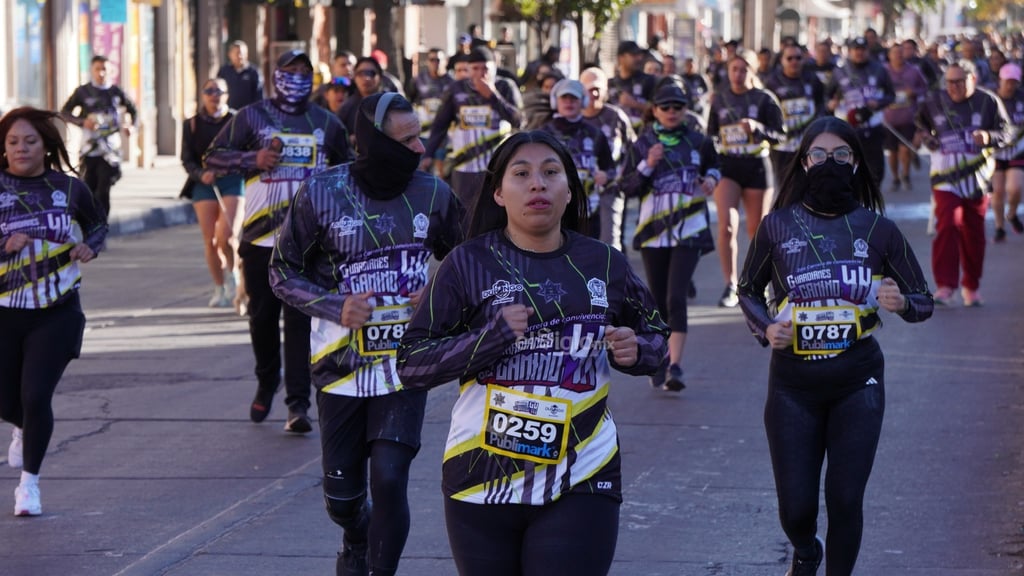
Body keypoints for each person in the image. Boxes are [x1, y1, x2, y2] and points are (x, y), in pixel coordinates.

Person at [396, 131, 669, 576]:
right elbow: (411, 363)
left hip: (582, 472)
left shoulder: (605, 263)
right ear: (499, 193)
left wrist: (636, 350)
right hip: (481, 475)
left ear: (569, 190)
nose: (537, 184)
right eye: (521, 174)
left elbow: (657, 338)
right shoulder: (466, 264)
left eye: (550, 172)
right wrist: (491, 337)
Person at [270, 92, 463, 576]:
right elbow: (280, 272)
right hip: (339, 368)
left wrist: (439, 290)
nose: (420, 148)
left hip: (405, 364)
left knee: (391, 477)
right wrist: (336, 305)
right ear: (374, 143)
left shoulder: (434, 194)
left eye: (420, 135)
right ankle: (357, 535)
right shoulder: (322, 192)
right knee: (342, 499)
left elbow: (472, 263)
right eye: (407, 140)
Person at [737, 116, 934, 576]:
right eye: (819, 155)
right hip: (793, 385)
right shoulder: (777, 226)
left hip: (858, 380)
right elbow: (747, 288)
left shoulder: (877, 229)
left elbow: (923, 299)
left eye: (841, 155)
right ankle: (806, 550)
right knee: (797, 511)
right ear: (803, 163)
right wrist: (766, 328)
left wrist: (903, 301)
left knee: (846, 498)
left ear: (855, 163)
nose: (829, 163)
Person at [205, 50, 352, 431]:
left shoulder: (326, 122)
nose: (298, 77)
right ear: (276, 74)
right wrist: (254, 159)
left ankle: (298, 404)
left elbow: (349, 173)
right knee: (262, 318)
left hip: (310, 244)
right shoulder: (252, 116)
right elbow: (213, 158)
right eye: (291, 70)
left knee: (301, 322)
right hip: (260, 239)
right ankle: (268, 379)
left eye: (305, 71)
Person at [0, 107, 108, 516]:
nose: (21, 149)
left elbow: (98, 225)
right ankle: (23, 426)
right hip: (4, 310)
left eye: (30, 141)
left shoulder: (69, 187)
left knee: (36, 394)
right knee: (9, 401)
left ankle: (29, 486)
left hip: (56, 310)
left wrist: (89, 246)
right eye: (12, 142)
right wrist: (4, 246)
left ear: (46, 146)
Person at [620, 84, 720, 390]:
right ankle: (660, 359)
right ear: (654, 110)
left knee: (676, 297)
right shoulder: (643, 143)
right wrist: (648, 164)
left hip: (688, 230)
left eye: (678, 106)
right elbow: (627, 186)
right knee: (658, 301)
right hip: (654, 233)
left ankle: (675, 366)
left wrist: (712, 180)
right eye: (666, 107)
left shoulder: (698, 140)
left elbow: (714, 165)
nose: (672, 112)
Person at [913, 61, 1011, 306]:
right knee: (948, 224)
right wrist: (926, 137)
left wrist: (988, 136)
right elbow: (920, 123)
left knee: (973, 233)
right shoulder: (934, 100)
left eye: (960, 81)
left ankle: (971, 286)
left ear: (973, 79)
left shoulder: (988, 101)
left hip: (977, 179)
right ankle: (945, 286)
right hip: (944, 177)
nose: (954, 87)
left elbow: (1007, 132)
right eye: (950, 82)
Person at [707, 54, 786, 307]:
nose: (738, 74)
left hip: (756, 168)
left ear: (752, 72)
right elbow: (710, 135)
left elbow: (780, 136)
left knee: (756, 231)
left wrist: (757, 128)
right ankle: (730, 285)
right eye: (734, 69)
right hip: (728, 166)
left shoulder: (765, 99)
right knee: (727, 226)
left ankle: (756, 284)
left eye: (743, 70)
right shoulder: (719, 99)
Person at [421, 45, 523, 213]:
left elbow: (519, 120)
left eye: (486, 68)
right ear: (468, 70)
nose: (481, 73)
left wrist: (493, 96)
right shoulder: (456, 89)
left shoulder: (505, 87)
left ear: (495, 67)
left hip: (498, 166)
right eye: (475, 68)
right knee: (466, 214)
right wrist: (429, 154)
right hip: (465, 166)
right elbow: (440, 125)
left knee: (497, 213)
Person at [180, 78, 244, 308]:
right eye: (209, 91)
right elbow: (186, 159)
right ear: (203, 95)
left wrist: (232, 165)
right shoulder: (192, 124)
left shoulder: (237, 120)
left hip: (233, 180)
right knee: (211, 240)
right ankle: (220, 288)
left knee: (227, 235)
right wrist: (200, 173)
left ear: (227, 95)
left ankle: (235, 273)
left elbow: (248, 151)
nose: (214, 95)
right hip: (204, 183)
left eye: (219, 91)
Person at [60, 54, 138, 220]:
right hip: (89, 149)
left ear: (110, 71)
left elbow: (133, 110)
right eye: (97, 69)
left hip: (110, 151)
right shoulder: (82, 92)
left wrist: (131, 126)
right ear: (91, 70)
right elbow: (65, 113)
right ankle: (89, 226)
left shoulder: (116, 92)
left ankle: (101, 227)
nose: (101, 73)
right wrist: (83, 122)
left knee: (103, 189)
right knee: (88, 189)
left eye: (104, 69)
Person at [540, 79, 614, 238]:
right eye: (564, 98)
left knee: (586, 260)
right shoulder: (544, 133)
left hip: (588, 211)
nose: (569, 102)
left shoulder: (595, 134)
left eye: (573, 98)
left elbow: (611, 169)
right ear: (555, 101)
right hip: (554, 210)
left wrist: (605, 175)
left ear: (583, 101)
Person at [826, 37, 895, 188]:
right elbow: (827, 96)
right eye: (856, 49)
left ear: (867, 51)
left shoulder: (879, 70)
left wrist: (878, 103)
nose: (859, 53)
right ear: (850, 51)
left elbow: (891, 95)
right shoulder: (839, 72)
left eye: (862, 49)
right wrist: (831, 103)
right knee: (847, 171)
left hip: (873, 128)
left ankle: (871, 204)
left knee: (876, 172)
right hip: (847, 130)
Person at [581, 66, 637, 251]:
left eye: (598, 88)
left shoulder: (616, 117)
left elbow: (633, 150)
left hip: (611, 189)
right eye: (589, 89)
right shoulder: (574, 120)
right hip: (580, 193)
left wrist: (623, 178)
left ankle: (614, 278)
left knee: (610, 244)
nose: (594, 93)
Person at [764, 43, 826, 190]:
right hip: (783, 147)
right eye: (789, 58)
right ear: (782, 61)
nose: (794, 62)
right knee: (786, 189)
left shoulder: (812, 79)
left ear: (803, 59)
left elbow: (821, 106)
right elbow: (766, 113)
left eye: (798, 58)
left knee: (810, 187)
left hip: (809, 145)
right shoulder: (772, 82)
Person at [882, 44, 928, 193]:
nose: (898, 56)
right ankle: (895, 177)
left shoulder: (914, 71)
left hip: (908, 118)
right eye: (895, 53)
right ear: (889, 55)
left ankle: (906, 175)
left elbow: (924, 89)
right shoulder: (883, 71)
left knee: (905, 149)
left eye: (901, 53)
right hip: (889, 119)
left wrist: (913, 92)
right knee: (892, 152)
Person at [992, 62, 1024, 242]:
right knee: (997, 191)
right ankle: (999, 227)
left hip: (1017, 150)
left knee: (1015, 188)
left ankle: (1011, 214)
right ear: (1000, 80)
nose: (1011, 85)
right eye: (1007, 81)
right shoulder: (991, 99)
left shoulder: (1021, 98)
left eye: (1014, 81)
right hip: (995, 152)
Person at [609, 40, 657, 130]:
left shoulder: (648, 81)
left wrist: (635, 104)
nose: (639, 58)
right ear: (621, 58)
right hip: (617, 133)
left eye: (639, 55)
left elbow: (659, 109)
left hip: (643, 134)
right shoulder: (610, 83)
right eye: (633, 55)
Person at [339, 57, 385, 141]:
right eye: (361, 73)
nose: (366, 78)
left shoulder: (391, 103)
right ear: (354, 77)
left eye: (371, 73)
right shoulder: (347, 107)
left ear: (380, 77)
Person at [217, 40, 264, 111]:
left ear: (247, 54)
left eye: (242, 53)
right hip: (227, 113)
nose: (239, 56)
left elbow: (259, 96)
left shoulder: (254, 72)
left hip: (248, 113)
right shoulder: (224, 71)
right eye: (236, 53)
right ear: (230, 54)